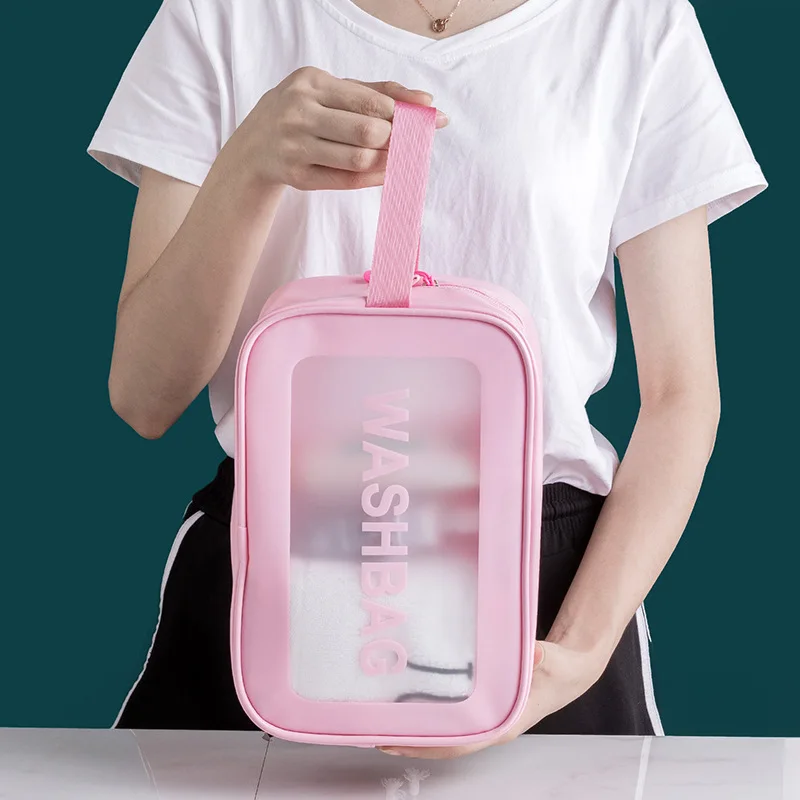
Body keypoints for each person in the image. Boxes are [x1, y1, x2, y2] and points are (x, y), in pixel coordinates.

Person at [86, 0, 767, 758]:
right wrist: (248, 167)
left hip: (545, 589)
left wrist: (574, 654)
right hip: (275, 570)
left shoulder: (634, 23)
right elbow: (143, 397)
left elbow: (681, 397)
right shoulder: (220, 16)